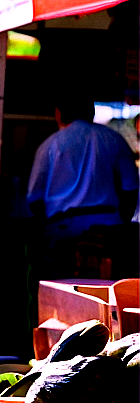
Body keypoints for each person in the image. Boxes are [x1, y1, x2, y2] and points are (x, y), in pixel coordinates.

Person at [27, 86, 139, 280]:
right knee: (109, 294)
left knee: (60, 296)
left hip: (61, 232)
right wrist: (120, 222)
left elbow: (34, 201)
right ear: (92, 112)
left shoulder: (49, 146)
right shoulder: (113, 139)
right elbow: (131, 188)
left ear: (58, 114)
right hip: (109, 230)